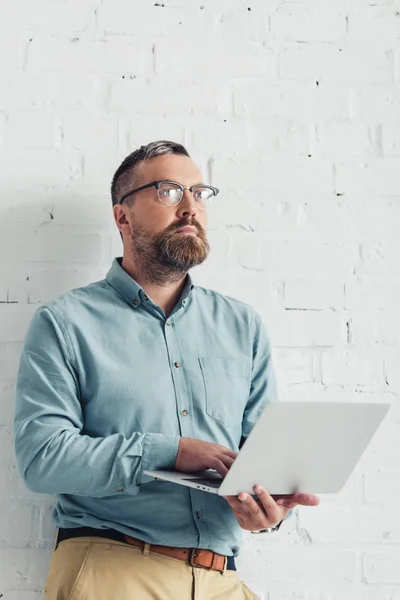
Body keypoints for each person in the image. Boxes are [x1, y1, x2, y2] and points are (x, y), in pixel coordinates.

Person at [14, 141, 319, 600]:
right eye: (169, 192)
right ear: (123, 217)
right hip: (113, 570)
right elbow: (43, 461)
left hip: (222, 579)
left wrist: (269, 509)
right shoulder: (64, 323)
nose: (191, 207)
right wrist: (169, 451)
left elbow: (260, 455)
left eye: (200, 192)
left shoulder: (242, 325)